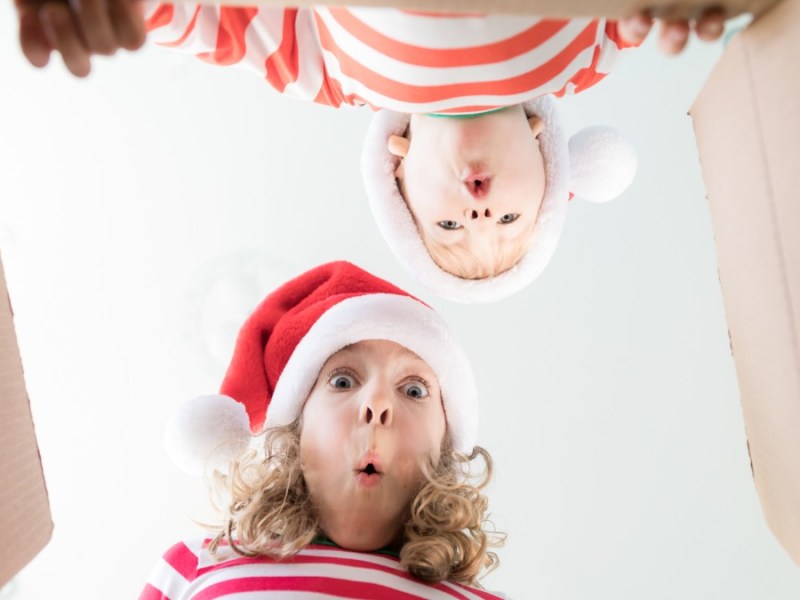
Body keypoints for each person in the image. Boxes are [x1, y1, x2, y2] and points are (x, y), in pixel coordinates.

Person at [10, 3, 724, 302]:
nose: (480, 212)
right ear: (548, 155)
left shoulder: (337, 77)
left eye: (447, 226)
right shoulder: (582, 60)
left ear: (399, 166)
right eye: (510, 221)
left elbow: (223, 22)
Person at [140, 260, 507, 599]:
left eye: (414, 390)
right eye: (344, 381)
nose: (377, 404)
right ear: (293, 435)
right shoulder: (195, 567)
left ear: (446, 451)